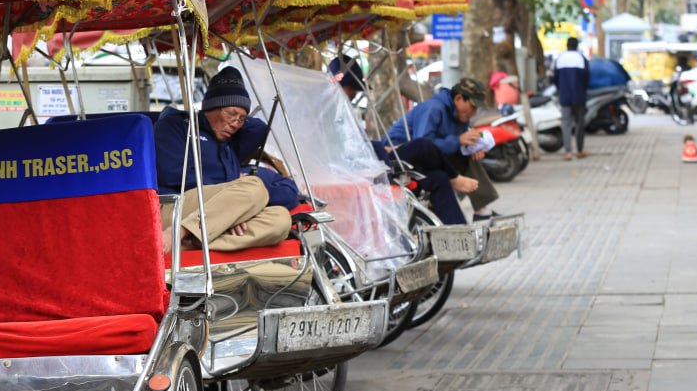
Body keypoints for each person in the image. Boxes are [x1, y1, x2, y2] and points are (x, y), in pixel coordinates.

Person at [154, 67, 299, 251]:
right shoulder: (176, 126)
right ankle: (178, 232)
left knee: (280, 219)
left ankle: (189, 242)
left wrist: (233, 211)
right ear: (211, 107)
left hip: (213, 212)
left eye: (241, 119)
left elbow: (259, 128)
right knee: (254, 188)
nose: (235, 124)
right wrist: (230, 199)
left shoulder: (230, 145)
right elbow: (170, 174)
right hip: (175, 205)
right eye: (230, 114)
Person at [330, 56, 478, 226]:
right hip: (366, 165)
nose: (354, 94)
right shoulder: (434, 108)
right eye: (351, 88)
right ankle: (455, 178)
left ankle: (458, 235)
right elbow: (344, 148)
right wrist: (380, 149)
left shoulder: (344, 108)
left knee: (439, 177)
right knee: (423, 145)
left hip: (377, 157)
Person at [384, 77, 497, 220]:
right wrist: (458, 140)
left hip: (431, 159)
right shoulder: (434, 108)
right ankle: (458, 183)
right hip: (401, 156)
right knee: (439, 170)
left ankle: (477, 214)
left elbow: (454, 142)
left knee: (446, 174)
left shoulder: (461, 116)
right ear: (458, 98)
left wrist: (474, 146)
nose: (474, 113)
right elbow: (423, 145)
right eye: (473, 107)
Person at [552, 37, 590, 160]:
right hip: (579, 97)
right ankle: (580, 150)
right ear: (577, 45)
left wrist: (561, 90)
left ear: (567, 45)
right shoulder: (581, 59)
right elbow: (586, 77)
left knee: (566, 124)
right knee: (580, 123)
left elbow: (555, 78)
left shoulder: (560, 59)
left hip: (565, 97)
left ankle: (568, 151)